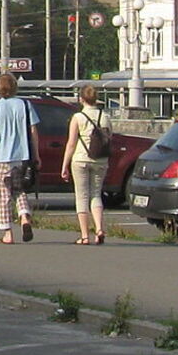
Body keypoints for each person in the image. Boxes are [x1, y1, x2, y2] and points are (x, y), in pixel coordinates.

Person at [0, 73, 39, 244]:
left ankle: (7, 233)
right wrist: (36, 155)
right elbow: (34, 131)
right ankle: (24, 217)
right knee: (19, 189)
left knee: (3, 195)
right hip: (22, 156)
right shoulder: (25, 105)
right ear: (15, 87)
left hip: (1, 157)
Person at [61, 83, 109, 245]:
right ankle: (99, 229)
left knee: (82, 196)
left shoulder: (78, 118)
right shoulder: (105, 117)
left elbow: (71, 144)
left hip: (81, 159)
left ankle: (84, 235)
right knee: (96, 194)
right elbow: (110, 138)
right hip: (101, 160)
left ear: (81, 99)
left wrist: (64, 166)